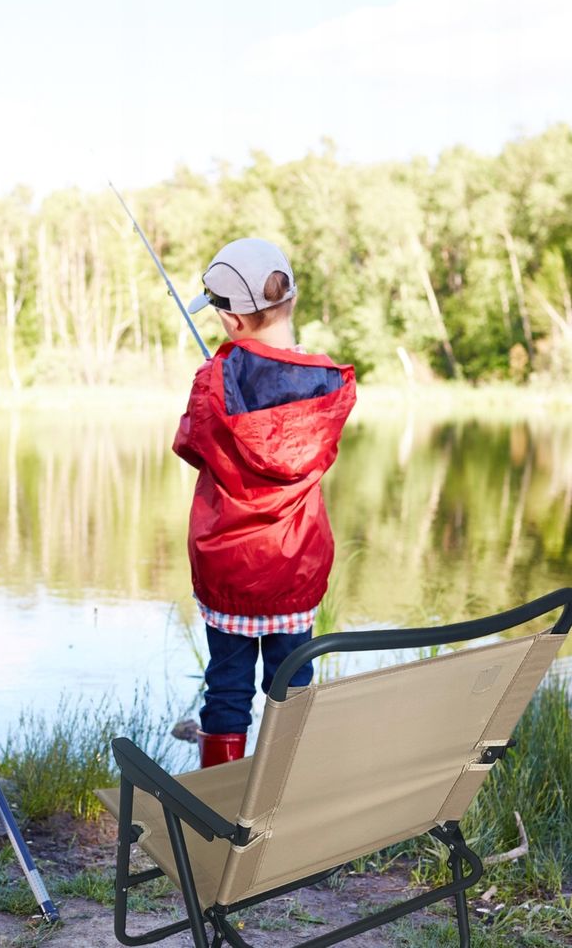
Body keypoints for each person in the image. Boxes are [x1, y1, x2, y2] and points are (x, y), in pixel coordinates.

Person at [173, 238, 356, 768]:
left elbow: (190, 445)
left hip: (230, 569)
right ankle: (283, 807)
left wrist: (221, 376)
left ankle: (221, 813)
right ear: (290, 299)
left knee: (227, 692)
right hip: (296, 567)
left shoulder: (213, 380)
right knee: (292, 687)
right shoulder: (327, 383)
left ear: (231, 321)